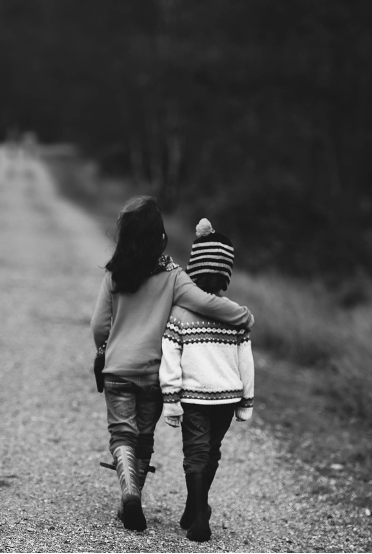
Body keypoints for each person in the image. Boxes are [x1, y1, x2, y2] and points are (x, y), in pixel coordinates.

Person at [90, 198, 254, 532]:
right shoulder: (173, 276)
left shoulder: (114, 275)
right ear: (159, 237)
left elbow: (98, 326)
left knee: (122, 433)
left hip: (118, 370)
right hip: (153, 374)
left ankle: (130, 492)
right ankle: (135, 494)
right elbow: (206, 303)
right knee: (144, 438)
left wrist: (105, 350)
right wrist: (243, 316)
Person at [159, 218, 255, 542]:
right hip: (227, 399)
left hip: (195, 398)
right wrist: (247, 401)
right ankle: (195, 507)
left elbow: (170, 357)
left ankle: (199, 516)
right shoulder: (234, 314)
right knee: (211, 453)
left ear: (193, 269)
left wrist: (170, 400)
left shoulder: (181, 312)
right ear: (226, 274)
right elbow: (246, 361)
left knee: (195, 455)